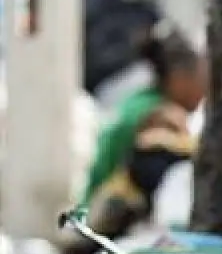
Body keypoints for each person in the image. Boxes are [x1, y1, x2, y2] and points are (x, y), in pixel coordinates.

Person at [82, 21, 208, 206]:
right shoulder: (159, 117)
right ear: (179, 77)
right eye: (201, 76)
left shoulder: (140, 101)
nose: (206, 87)